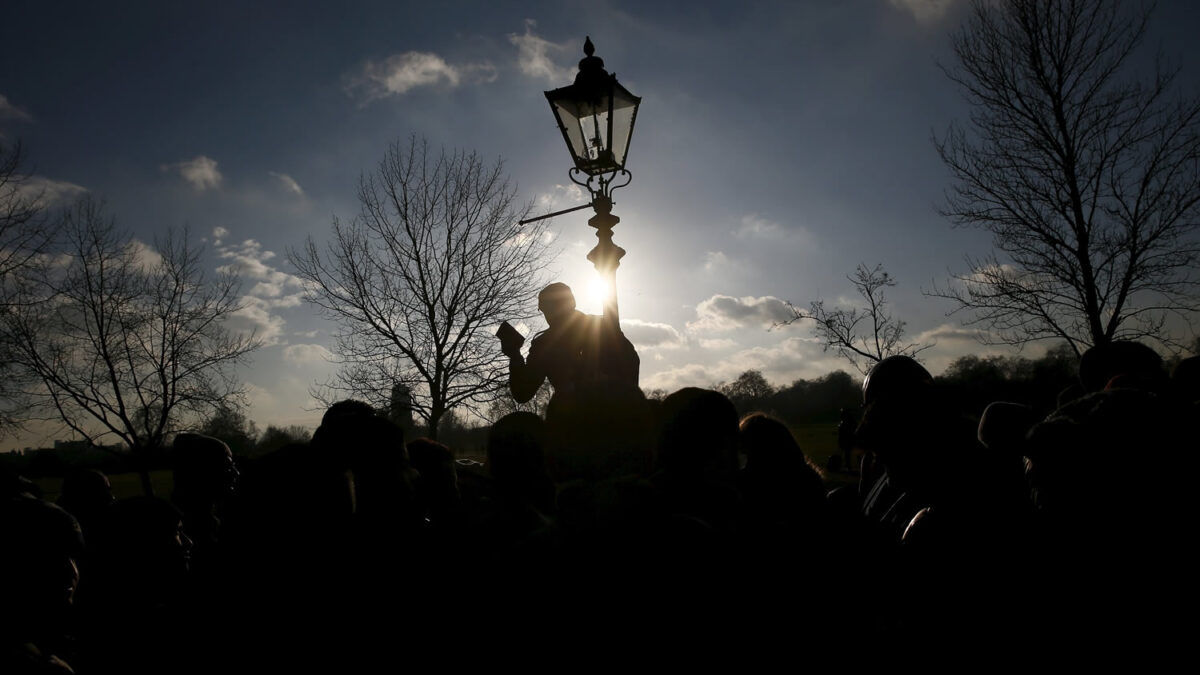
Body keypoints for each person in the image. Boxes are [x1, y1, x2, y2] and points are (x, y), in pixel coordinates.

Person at [501, 282, 639, 404]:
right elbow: (523, 393)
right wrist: (514, 355)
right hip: (576, 422)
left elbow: (630, 363)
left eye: (550, 308)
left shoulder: (601, 327)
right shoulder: (543, 344)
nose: (548, 315)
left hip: (608, 415)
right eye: (544, 309)